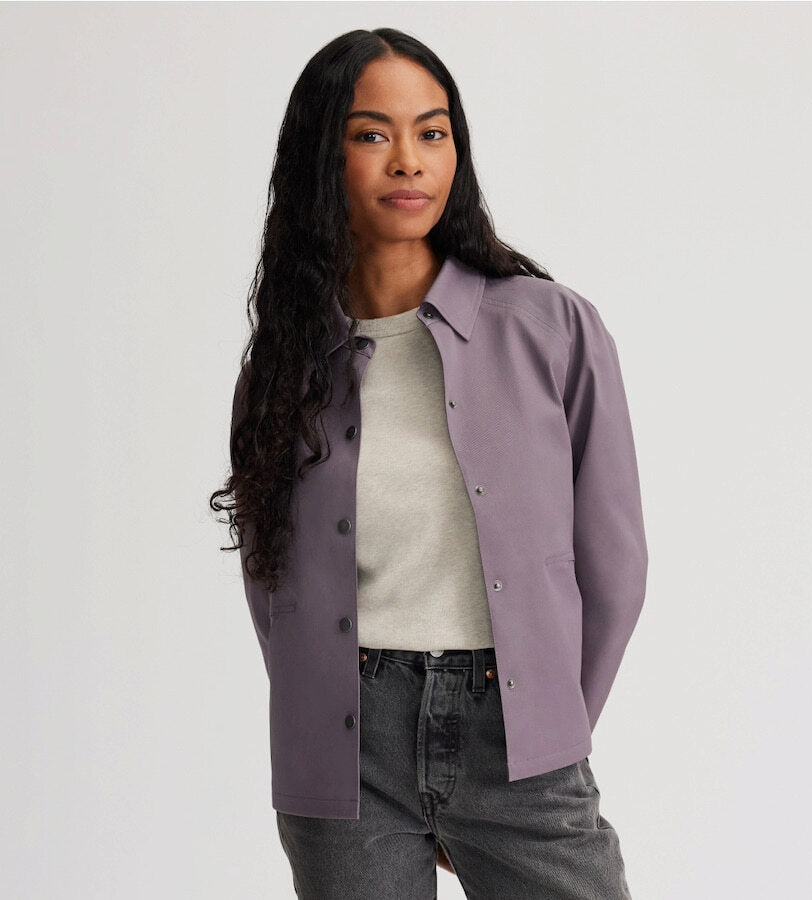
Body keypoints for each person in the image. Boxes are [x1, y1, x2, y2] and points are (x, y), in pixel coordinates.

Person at [210, 26, 647, 900]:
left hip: (518, 734)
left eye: (432, 132)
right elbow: (272, 583)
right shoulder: (284, 364)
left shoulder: (550, 326)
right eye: (372, 134)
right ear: (321, 157)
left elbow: (615, 566)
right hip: (346, 752)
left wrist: (552, 728)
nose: (409, 159)